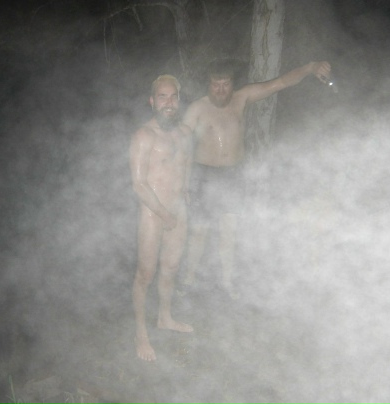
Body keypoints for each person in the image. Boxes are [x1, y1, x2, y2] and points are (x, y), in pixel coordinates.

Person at [182, 59, 332, 299]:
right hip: (204, 175)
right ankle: (188, 280)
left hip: (232, 174)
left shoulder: (241, 98)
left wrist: (309, 68)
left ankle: (227, 283)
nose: (220, 90)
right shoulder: (197, 109)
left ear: (232, 84)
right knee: (199, 231)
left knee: (229, 232)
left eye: (225, 84)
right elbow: (179, 143)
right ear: (208, 85)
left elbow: (280, 82)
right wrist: (182, 182)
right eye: (215, 84)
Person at [130, 74, 194, 361]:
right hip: (152, 212)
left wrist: (186, 193)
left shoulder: (185, 134)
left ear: (179, 100)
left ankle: (165, 317)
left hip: (177, 210)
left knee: (171, 267)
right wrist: (164, 213)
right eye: (163, 97)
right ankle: (140, 334)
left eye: (173, 97)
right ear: (152, 101)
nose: (169, 102)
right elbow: (139, 184)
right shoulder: (144, 136)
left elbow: (186, 165)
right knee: (146, 273)